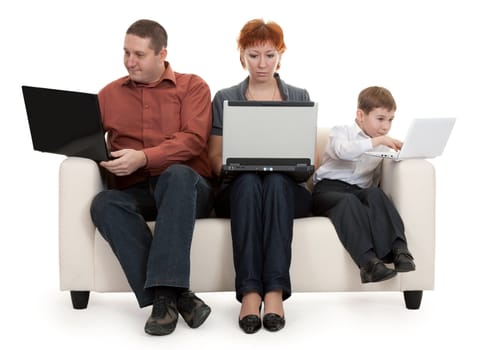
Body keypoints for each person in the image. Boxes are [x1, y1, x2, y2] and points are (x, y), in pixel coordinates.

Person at [90, 19, 214, 336]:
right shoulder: (109, 94)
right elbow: (86, 139)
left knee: (176, 175)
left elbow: (193, 141)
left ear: (162, 54)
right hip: (137, 193)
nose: (130, 61)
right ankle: (174, 296)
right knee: (104, 203)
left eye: (139, 55)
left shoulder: (193, 87)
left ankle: (163, 300)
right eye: (126, 53)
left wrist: (144, 158)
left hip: (188, 191)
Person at [208, 19, 313, 334]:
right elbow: (214, 158)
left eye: (269, 55)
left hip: (286, 189)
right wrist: (234, 164)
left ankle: (275, 293)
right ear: (242, 55)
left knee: (277, 183)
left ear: (280, 54)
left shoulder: (297, 95)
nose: (262, 64)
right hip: (240, 188)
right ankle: (250, 294)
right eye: (254, 55)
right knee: (251, 182)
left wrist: (297, 162)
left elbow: (310, 160)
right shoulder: (225, 97)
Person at [312, 86, 416, 284]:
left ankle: (399, 251)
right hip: (327, 190)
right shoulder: (341, 132)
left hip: (358, 192)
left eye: (390, 120)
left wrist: (407, 152)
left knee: (376, 195)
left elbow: (376, 178)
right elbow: (343, 151)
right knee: (348, 201)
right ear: (361, 115)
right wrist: (377, 141)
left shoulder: (384, 144)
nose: (386, 126)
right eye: (380, 119)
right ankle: (368, 264)